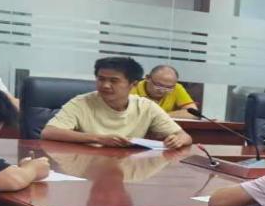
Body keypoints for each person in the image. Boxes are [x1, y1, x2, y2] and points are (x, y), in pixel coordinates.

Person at [41, 57, 193, 148]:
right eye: (101, 79)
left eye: (114, 81)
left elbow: (185, 137)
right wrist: (99, 139)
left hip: (127, 167)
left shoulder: (146, 107)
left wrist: (178, 140)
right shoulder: (81, 102)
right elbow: (49, 132)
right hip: (88, 165)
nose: (105, 85)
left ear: (133, 84)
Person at [130, 64, 198, 118]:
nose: (162, 91)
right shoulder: (132, 88)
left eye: (169, 87)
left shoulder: (176, 88)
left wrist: (162, 117)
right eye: (158, 85)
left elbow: (194, 113)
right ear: (147, 78)